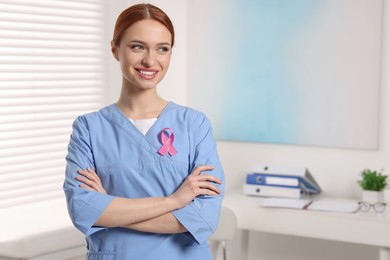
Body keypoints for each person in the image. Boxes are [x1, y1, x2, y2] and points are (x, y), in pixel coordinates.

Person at [63, 3, 225, 260]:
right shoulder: (89, 129)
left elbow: (203, 218)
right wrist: (174, 201)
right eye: (137, 46)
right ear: (115, 49)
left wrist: (111, 206)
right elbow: (83, 210)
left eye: (162, 49)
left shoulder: (195, 125)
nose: (150, 60)